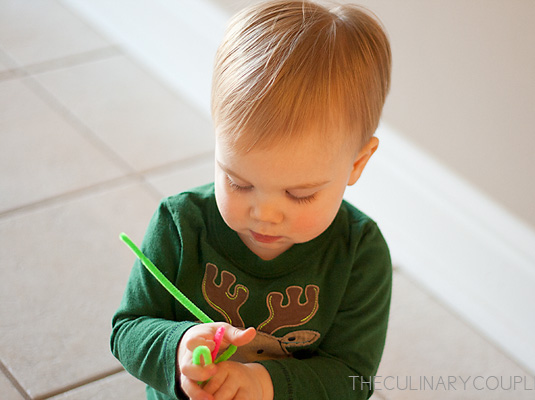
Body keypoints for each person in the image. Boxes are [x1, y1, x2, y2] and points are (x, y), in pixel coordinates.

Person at [110, 1, 392, 399]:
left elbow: (352, 379)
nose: (265, 215)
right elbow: (128, 329)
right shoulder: (180, 224)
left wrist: (263, 383)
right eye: (238, 182)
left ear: (357, 164)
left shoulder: (359, 253)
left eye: (301, 194)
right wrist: (179, 346)